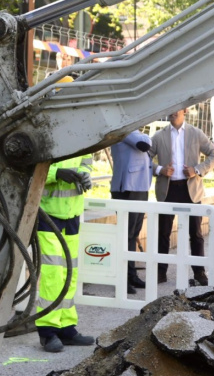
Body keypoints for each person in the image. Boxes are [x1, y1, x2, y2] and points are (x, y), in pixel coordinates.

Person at [150, 108, 214, 286]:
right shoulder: (159, 136)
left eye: (177, 108)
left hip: (191, 190)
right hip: (167, 190)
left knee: (195, 233)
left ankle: (199, 272)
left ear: (185, 110)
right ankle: (160, 272)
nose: (172, 112)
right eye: (170, 108)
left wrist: (197, 169)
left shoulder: (196, 133)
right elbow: (144, 158)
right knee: (163, 233)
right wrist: (160, 170)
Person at [36, 154, 96, 353]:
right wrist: (56, 173)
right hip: (48, 213)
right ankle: (47, 330)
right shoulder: (50, 135)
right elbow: (30, 168)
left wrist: (84, 175)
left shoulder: (84, 138)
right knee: (53, 274)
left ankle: (66, 327)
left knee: (70, 273)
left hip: (72, 213)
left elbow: (86, 161)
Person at [110, 129, 153, 294]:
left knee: (133, 235)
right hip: (127, 187)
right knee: (125, 236)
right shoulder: (125, 129)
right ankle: (122, 278)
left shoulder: (136, 132)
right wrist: (148, 136)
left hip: (139, 186)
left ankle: (131, 275)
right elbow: (144, 145)